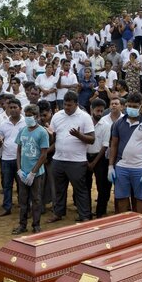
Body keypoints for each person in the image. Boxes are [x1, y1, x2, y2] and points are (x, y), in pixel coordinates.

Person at [47, 92, 95, 222]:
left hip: (77, 161)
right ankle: (58, 213)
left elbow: (92, 139)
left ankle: (84, 215)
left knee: (80, 190)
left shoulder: (85, 117)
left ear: (76, 104)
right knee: (59, 189)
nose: (66, 107)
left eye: (69, 105)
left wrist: (79, 135)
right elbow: (53, 138)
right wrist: (50, 135)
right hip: (58, 159)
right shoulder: (57, 116)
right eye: (65, 104)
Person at [108, 91, 142, 214]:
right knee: (121, 198)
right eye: (129, 106)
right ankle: (124, 225)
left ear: (141, 106)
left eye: (135, 106)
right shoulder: (118, 123)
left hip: (140, 168)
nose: (131, 109)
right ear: (125, 105)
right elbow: (113, 145)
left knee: (140, 198)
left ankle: (140, 225)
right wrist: (111, 166)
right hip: (121, 167)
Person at [0, 99, 26, 216]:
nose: (13, 110)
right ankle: (7, 207)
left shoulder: (26, 123)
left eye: (15, 107)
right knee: (7, 185)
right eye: (11, 108)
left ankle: (23, 207)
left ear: (20, 109)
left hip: (22, 159)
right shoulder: (3, 124)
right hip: (6, 158)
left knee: (22, 185)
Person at [86, 99, 112, 219]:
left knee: (102, 186)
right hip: (85, 157)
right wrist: (87, 161)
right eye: (97, 110)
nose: (99, 113)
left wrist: (94, 162)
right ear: (92, 109)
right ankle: (86, 212)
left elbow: (105, 146)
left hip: (100, 158)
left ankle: (100, 212)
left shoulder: (106, 125)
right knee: (85, 186)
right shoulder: (85, 123)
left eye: (102, 111)